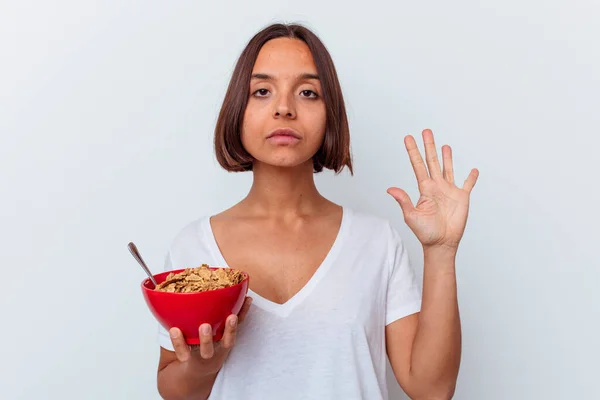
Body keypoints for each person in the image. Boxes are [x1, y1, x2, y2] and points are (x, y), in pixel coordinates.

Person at [155, 23, 479, 400]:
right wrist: (201, 367)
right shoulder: (194, 247)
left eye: (308, 92)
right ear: (237, 111)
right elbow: (174, 390)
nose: (284, 108)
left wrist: (441, 252)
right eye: (262, 91)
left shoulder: (376, 242)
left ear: (330, 114)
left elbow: (432, 389)